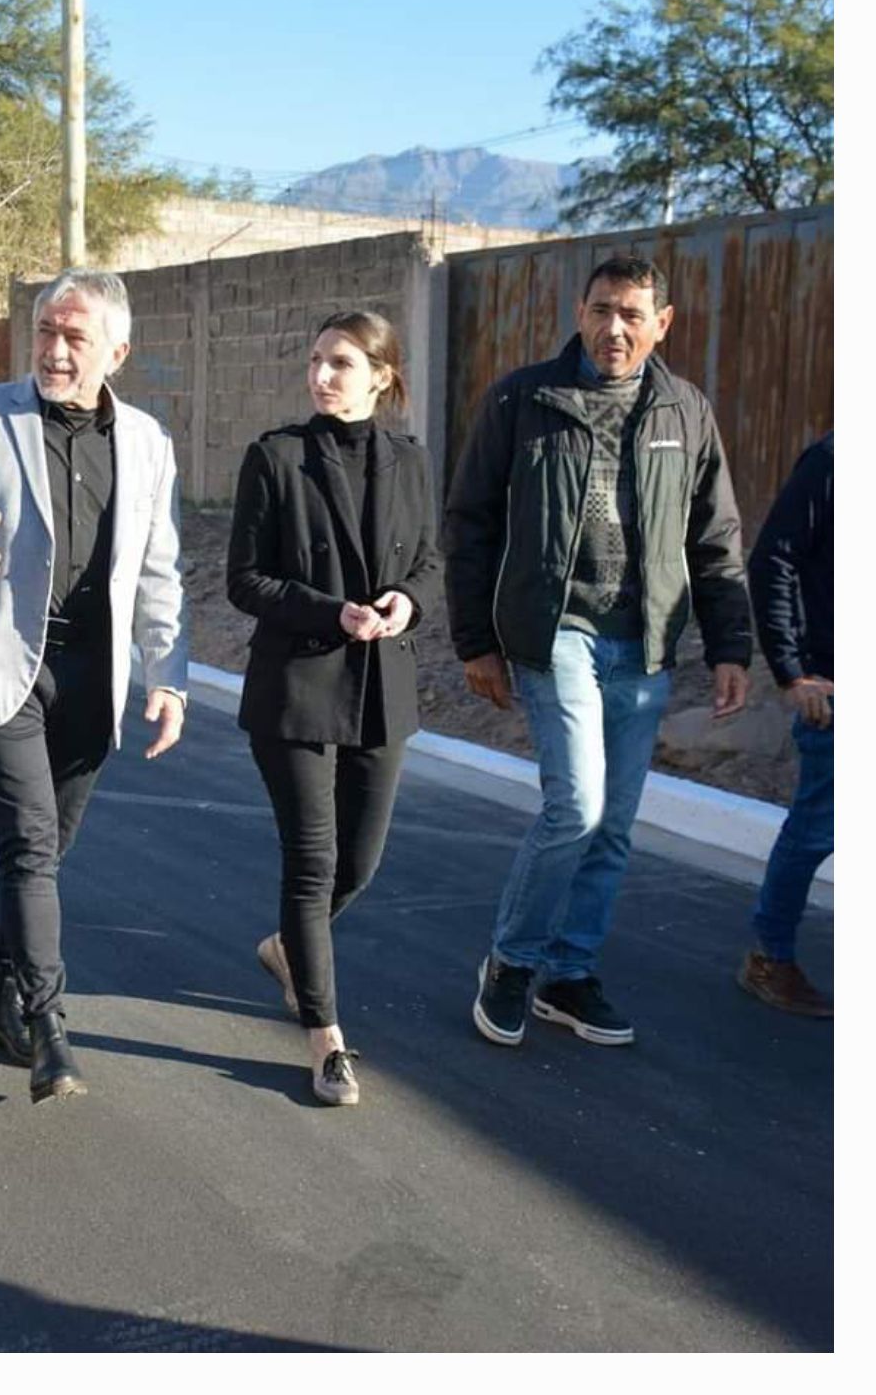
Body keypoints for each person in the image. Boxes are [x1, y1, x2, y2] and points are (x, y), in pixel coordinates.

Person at [445, 253, 752, 1049]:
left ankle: (569, 974)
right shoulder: (525, 399)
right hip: (557, 634)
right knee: (574, 806)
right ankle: (511, 962)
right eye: (601, 309)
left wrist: (731, 647)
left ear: (662, 323)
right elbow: (470, 521)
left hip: (644, 643)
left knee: (613, 824)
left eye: (631, 314)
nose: (614, 328)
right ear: (580, 312)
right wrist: (476, 640)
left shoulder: (685, 411)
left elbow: (715, 539)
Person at [0, 270, 188, 1105]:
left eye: (76, 339)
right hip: (4, 664)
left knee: (45, 856)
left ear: (117, 352)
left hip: (91, 679)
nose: (56, 352)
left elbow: (159, 569)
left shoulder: (147, 442)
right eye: (47, 334)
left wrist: (168, 675)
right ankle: (50, 1025)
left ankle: (0, 997)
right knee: (29, 847)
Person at [224, 312, 441, 1108]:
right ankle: (325, 1039)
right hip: (296, 692)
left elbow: (429, 562)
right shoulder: (276, 458)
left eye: (341, 363)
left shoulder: (411, 461)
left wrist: (407, 603)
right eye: (315, 361)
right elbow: (244, 580)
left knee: (362, 862)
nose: (321, 376)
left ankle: (289, 946)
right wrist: (330, 611)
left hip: (384, 688)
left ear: (381, 375)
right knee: (312, 864)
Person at [738, 434, 833, 1016]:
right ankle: (770, 956)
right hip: (840, 685)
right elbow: (772, 559)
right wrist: (793, 672)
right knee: (818, 830)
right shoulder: (834, 462)